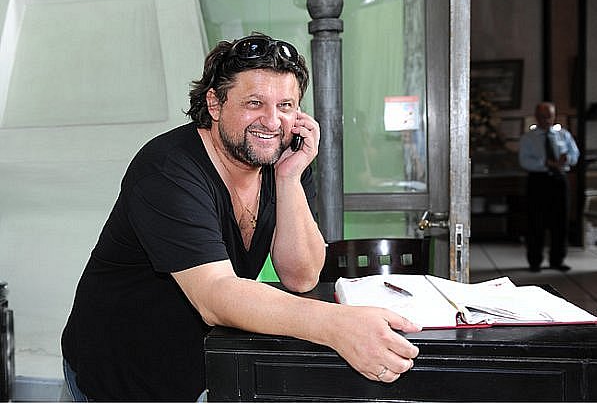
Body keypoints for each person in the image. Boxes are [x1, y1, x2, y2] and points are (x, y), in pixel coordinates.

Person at [61, 33, 421, 402]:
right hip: (117, 378)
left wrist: (289, 177)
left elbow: (301, 276)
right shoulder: (168, 169)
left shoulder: (280, 160)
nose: (272, 121)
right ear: (215, 103)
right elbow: (215, 294)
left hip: (200, 373)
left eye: (286, 105)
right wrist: (335, 325)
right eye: (254, 103)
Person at [518, 102, 580, 272]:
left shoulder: (563, 135)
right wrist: (546, 163)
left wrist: (566, 160)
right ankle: (535, 261)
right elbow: (524, 161)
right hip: (538, 181)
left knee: (560, 221)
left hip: (559, 180)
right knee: (536, 222)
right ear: (536, 117)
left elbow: (574, 155)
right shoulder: (528, 138)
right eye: (543, 117)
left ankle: (557, 260)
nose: (546, 120)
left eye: (549, 116)